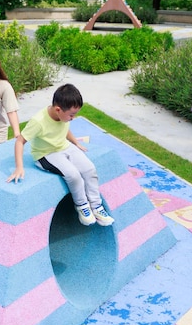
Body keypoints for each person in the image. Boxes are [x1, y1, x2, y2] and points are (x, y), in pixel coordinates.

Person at [7, 84, 114, 227]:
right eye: (71, 115)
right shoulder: (38, 121)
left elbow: (64, 129)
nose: (73, 118)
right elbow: (20, 141)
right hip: (46, 155)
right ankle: (82, 207)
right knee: (74, 175)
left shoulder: (63, 117)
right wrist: (19, 167)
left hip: (64, 147)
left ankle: (96, 206)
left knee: (89, 169)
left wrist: (76, 143)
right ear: (58, 110)